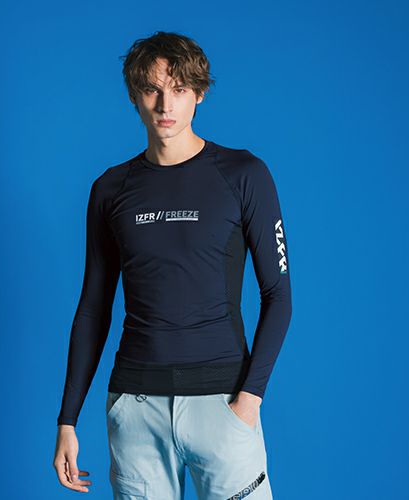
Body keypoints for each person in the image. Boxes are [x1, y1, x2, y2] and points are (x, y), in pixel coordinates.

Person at [53, 30, 292, 499]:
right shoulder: (110, 189)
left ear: (199, 94)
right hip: (135, 407)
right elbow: (93, 307)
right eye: (152, 89)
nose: (165, 104)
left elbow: (278, 294)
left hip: (223, 401)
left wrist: (249, 400)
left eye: (179, 89)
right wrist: (68, 419)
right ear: (134, 96)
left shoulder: (244, 175)